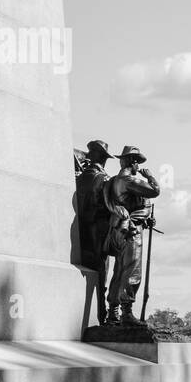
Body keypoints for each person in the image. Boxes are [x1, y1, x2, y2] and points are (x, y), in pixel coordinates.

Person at [104, 146, 160, 326]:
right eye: (137, 162)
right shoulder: (128, 180)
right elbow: (154, 190)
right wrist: (150, 176)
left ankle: (113, 312)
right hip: (130, 231)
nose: (139, 165)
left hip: (119, 230)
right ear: (133, 162)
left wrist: (145, 218)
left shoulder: (114, 181)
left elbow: (133, 205)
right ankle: (127, 312)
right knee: (132, 269)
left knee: (120, 270)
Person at [75, 140, 114, 326]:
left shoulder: (84, 176)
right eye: (104, 157)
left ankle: (103, 314)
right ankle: (102, 315)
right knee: (102, 272)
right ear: (101, 157)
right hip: (98, 229)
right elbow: (96, 205)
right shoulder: (99, 176)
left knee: (100, 272)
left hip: (88, 229)